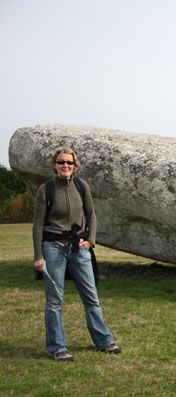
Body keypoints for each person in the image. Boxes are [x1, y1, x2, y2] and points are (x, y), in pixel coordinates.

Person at [33, 147, 120, 361]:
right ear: (54, 165)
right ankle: (57, 348)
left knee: (91, 297)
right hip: (53, 249)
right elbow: (37, 225)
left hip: (78, 248)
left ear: (74, 166)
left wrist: (91, 241)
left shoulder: (82, 186)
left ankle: (104, 341)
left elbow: (91, 216)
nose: (65, 166)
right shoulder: (46, 190)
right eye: (61, 162)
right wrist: (38, 256)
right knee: (54, 301)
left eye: (69, 163)